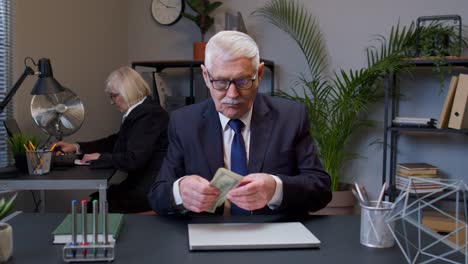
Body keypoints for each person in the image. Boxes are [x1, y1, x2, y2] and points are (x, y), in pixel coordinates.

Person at [148, 31, 331, 215]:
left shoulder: (290, 117)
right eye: (220, 82)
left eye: (243, 81)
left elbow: (321, 189)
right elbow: (157, 195)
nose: (232, 94)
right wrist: (180, 192)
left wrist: (276, 189)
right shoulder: (184, 123)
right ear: (205, 76)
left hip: (272, 234)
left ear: (259, 74)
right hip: (209, 234)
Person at [56, 66, 169, 213]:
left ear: (127, 92)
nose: (112, 102)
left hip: (149, 190)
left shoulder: (148, 115)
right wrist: (76, 147)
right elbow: (115, 141)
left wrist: (100, 158)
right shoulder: (142, 111)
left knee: (93, 207)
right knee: (95, 202)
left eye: (113, 96)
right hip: (143, 185)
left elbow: (133, 160)